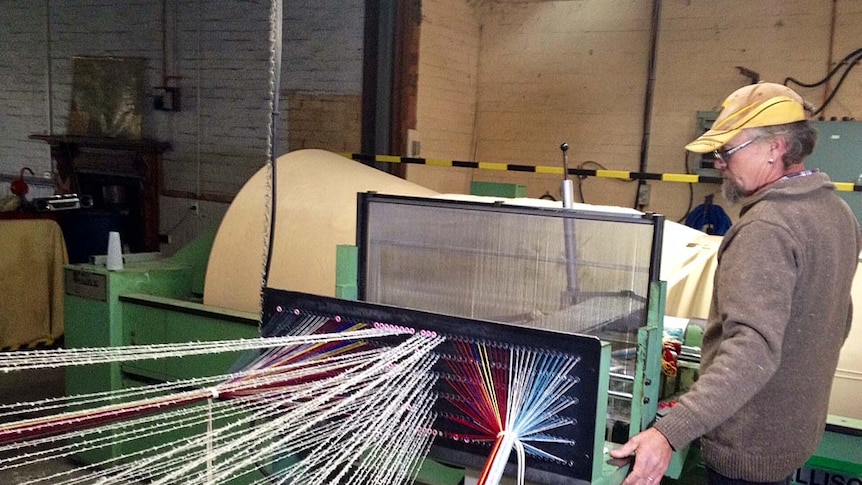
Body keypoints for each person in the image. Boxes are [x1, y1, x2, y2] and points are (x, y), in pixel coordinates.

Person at [610, 82, 862, 484]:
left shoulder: (765, 229)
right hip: (792, 435)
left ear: (776, 148)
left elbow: (751, 353)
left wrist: (667, 433)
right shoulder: (837, 213)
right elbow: (839, 321)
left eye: (728, 151)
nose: (720, 163)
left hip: (748, 445)